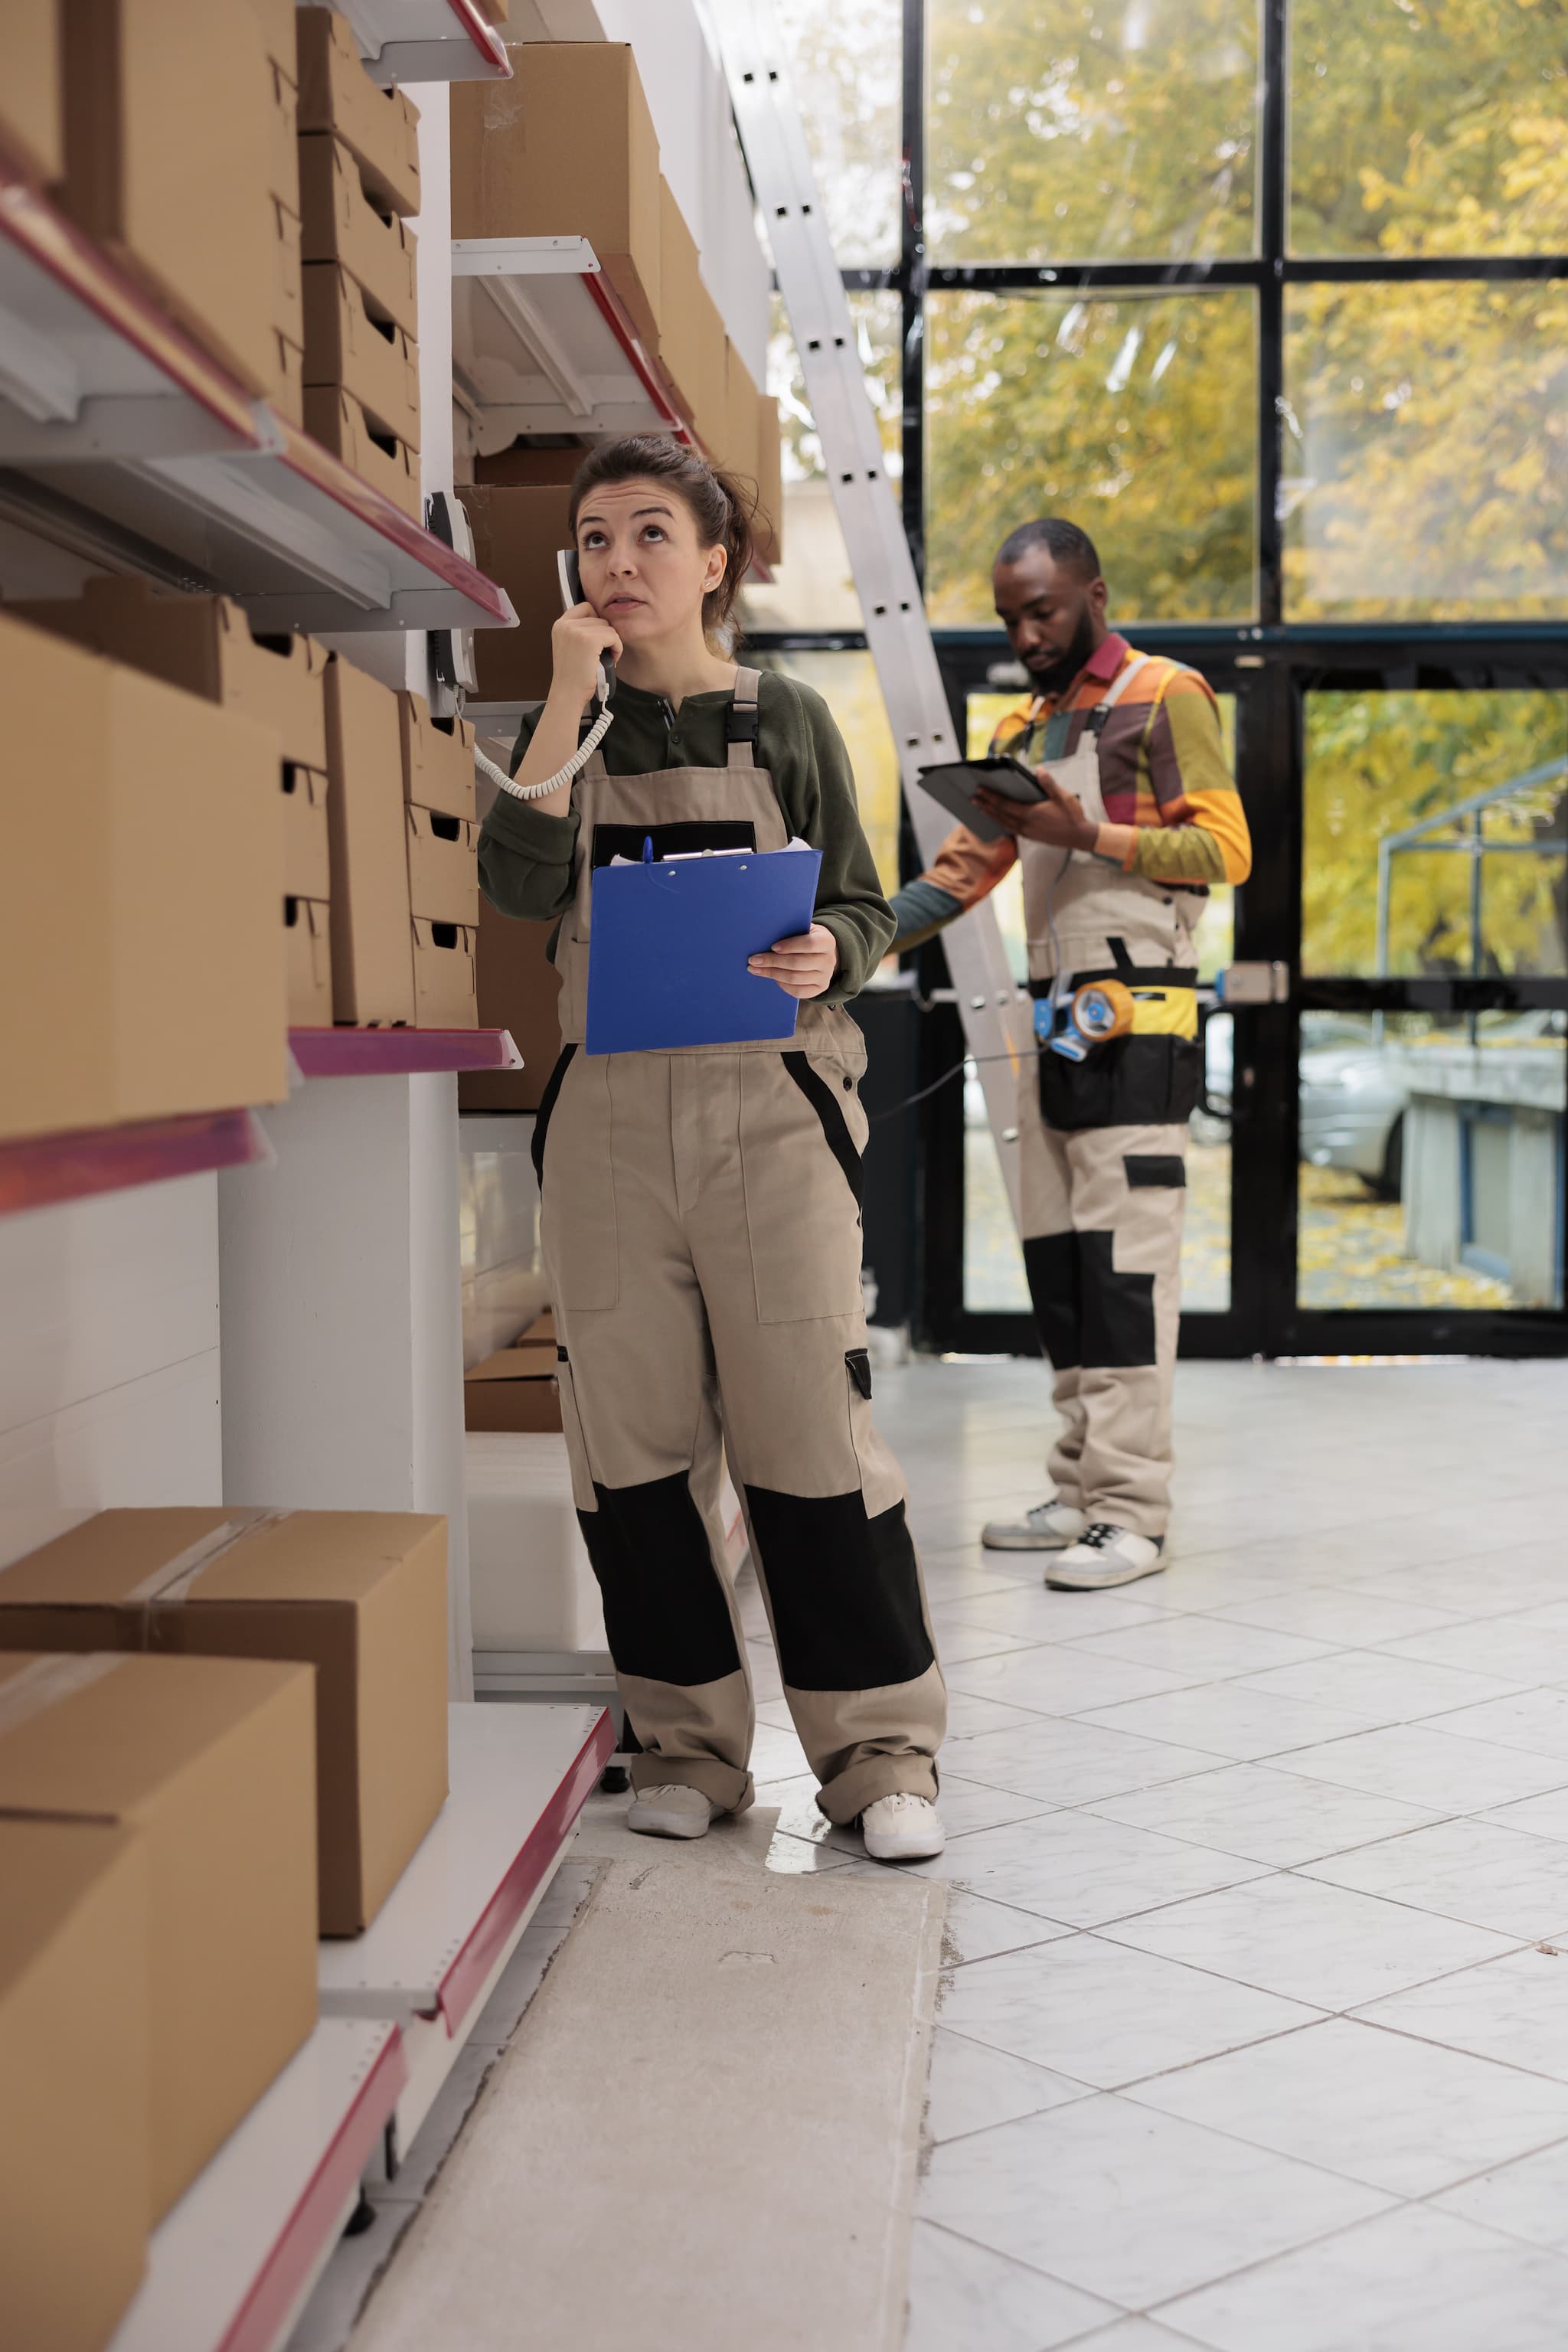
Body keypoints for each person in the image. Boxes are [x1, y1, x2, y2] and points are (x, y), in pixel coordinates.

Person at [478, 433, 946, 1860]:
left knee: (811, 1435)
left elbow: (866, 904)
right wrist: (564, 697)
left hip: (769, 1116)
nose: (620, 565)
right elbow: (515, 887)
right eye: (596, 540)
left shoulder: (786, 716)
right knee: (631, 1454)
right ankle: (685, 1745)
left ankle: (879, 1761)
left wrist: (833, 950)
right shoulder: (566, 727)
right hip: (612, 1128)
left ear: (714, 563)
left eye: (650, 537)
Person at [892, 518, 1251, 1589]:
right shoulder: (1030, 725)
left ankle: (1133, 1514)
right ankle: (1083, 1488)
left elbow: (1226, 847)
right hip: (1054, 1022)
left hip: (1140, 1025)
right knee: (1065, 1270)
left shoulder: (1166, 692)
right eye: (1010, 616)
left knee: (1126, 1274)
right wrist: (848, 932)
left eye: (1042, 609)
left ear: (1094, 590)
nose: (1026, 631)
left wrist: (1085, 835)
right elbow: (962, 872)